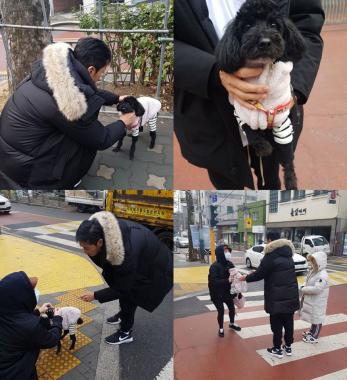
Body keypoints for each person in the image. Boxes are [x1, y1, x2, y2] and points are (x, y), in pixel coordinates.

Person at [174, 0, 324, 189]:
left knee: (271, 179)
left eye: (273, 26)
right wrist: (211, 72)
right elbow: (165, 41)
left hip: (276, 113)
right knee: (225, 182)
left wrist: (291, 90)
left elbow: (307, 25)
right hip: (207, 112)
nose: (264, 38)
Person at [0, 37, 137, 189]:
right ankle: (65, 182)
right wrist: (124, 122)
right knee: (86, 141)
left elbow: (86, 90)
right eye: (102, 73)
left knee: (81, 131)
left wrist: (116, 98)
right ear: (91, 70)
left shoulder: (56, 71)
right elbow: (101, 139)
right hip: (28, 174)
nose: (101, 77)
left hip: (10, 158)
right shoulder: (69, 102)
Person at [75, 211, 173, 345]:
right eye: (82, 247)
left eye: (86, 248)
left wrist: (95, 295)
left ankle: (126, 332)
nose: (84, 251)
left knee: (130, 296)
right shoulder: (103, 232)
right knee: (126, 292)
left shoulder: (124, 254)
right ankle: (123, 315)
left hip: (156, 269)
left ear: (99, 242)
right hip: (142, 260)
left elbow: (122, 288)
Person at [239, 231, 300, 358]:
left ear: (270, 240)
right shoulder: (289, 255)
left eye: (267, 240)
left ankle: (277, 348)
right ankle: (288, 347)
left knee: (276, 324)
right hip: (290, 295)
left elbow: (259, 274)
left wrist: (245, 278)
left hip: (275, 296)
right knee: (289, 322)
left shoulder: (270, 256)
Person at [0, 272, 62, 380]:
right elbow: (51, 340)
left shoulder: (4, 310)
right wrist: (57, 319)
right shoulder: (32, 326)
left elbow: (15, 319)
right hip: (19, 373)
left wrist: (38, 311)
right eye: (31, 291)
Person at [208, 245, 242, 337]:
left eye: (228, 250)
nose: (227, 253)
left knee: (232, 308)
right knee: (221, 311)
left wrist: (238, 291)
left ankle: (231, 324)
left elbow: (235, 278)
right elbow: (213, 282)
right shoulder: (214, 267)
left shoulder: (230, 264)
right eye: (225, 251)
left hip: (227, 292)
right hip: (217, 293)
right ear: (220, 253)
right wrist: (227, 280)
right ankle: (221, 328)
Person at [300, 251, 329, 344]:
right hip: (314, 300)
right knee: (313, 317)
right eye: (312, 261)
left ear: (320, 262)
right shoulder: (314, 271)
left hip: (318, 300)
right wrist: (303, 286)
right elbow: (308, 281)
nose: (313, 263)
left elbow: (317, 289)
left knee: (317, 318)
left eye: (314, 261)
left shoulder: (322, 274)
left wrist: (304, 289)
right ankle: (311, 332)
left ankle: (315, 336)